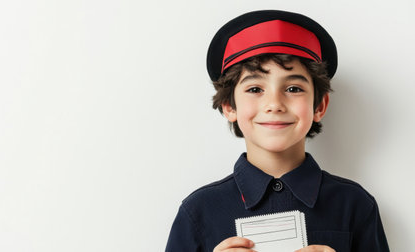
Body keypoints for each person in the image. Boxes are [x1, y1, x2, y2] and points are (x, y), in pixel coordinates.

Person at [165, 10, 389, 252]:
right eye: (254, 89)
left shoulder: (354, 205)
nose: (274, 104)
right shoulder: (198, 210)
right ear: (229, 106)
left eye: (293, 88)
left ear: (319, 106)